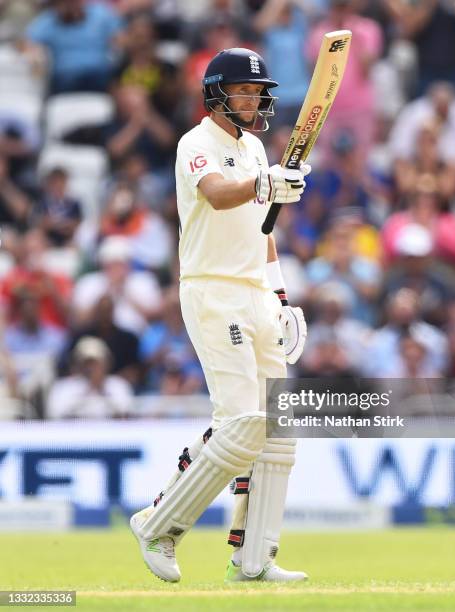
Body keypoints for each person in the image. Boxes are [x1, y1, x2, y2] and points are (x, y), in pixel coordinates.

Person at [129, 47, 310, 583]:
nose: (253, 100)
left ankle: (253, 559)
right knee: (239, 427)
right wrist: (263, 184)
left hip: (256, 290)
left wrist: (281, 299)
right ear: (216, 93)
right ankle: (158, 524)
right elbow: (218, 194)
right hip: (212, 291)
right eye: (243, 91)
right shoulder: (195, 144)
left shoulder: (254, 146)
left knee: (277, 431)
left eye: (258, 92)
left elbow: (263, 230)